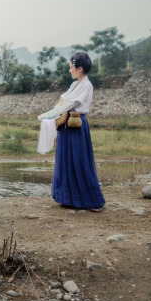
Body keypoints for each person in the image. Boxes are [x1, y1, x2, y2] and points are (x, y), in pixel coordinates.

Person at [38, 52, 105, 212]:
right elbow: (63, 103)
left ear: (80, 68)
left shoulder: (86, 85)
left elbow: (71, 104)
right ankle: (67, 197)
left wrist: (49, 115)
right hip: (66, 124)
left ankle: (91, 200)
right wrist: (51, 114)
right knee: (65, 160)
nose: (70, 70)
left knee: (79, 161)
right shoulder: (74, 85)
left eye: (71, 67)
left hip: (76, 124)